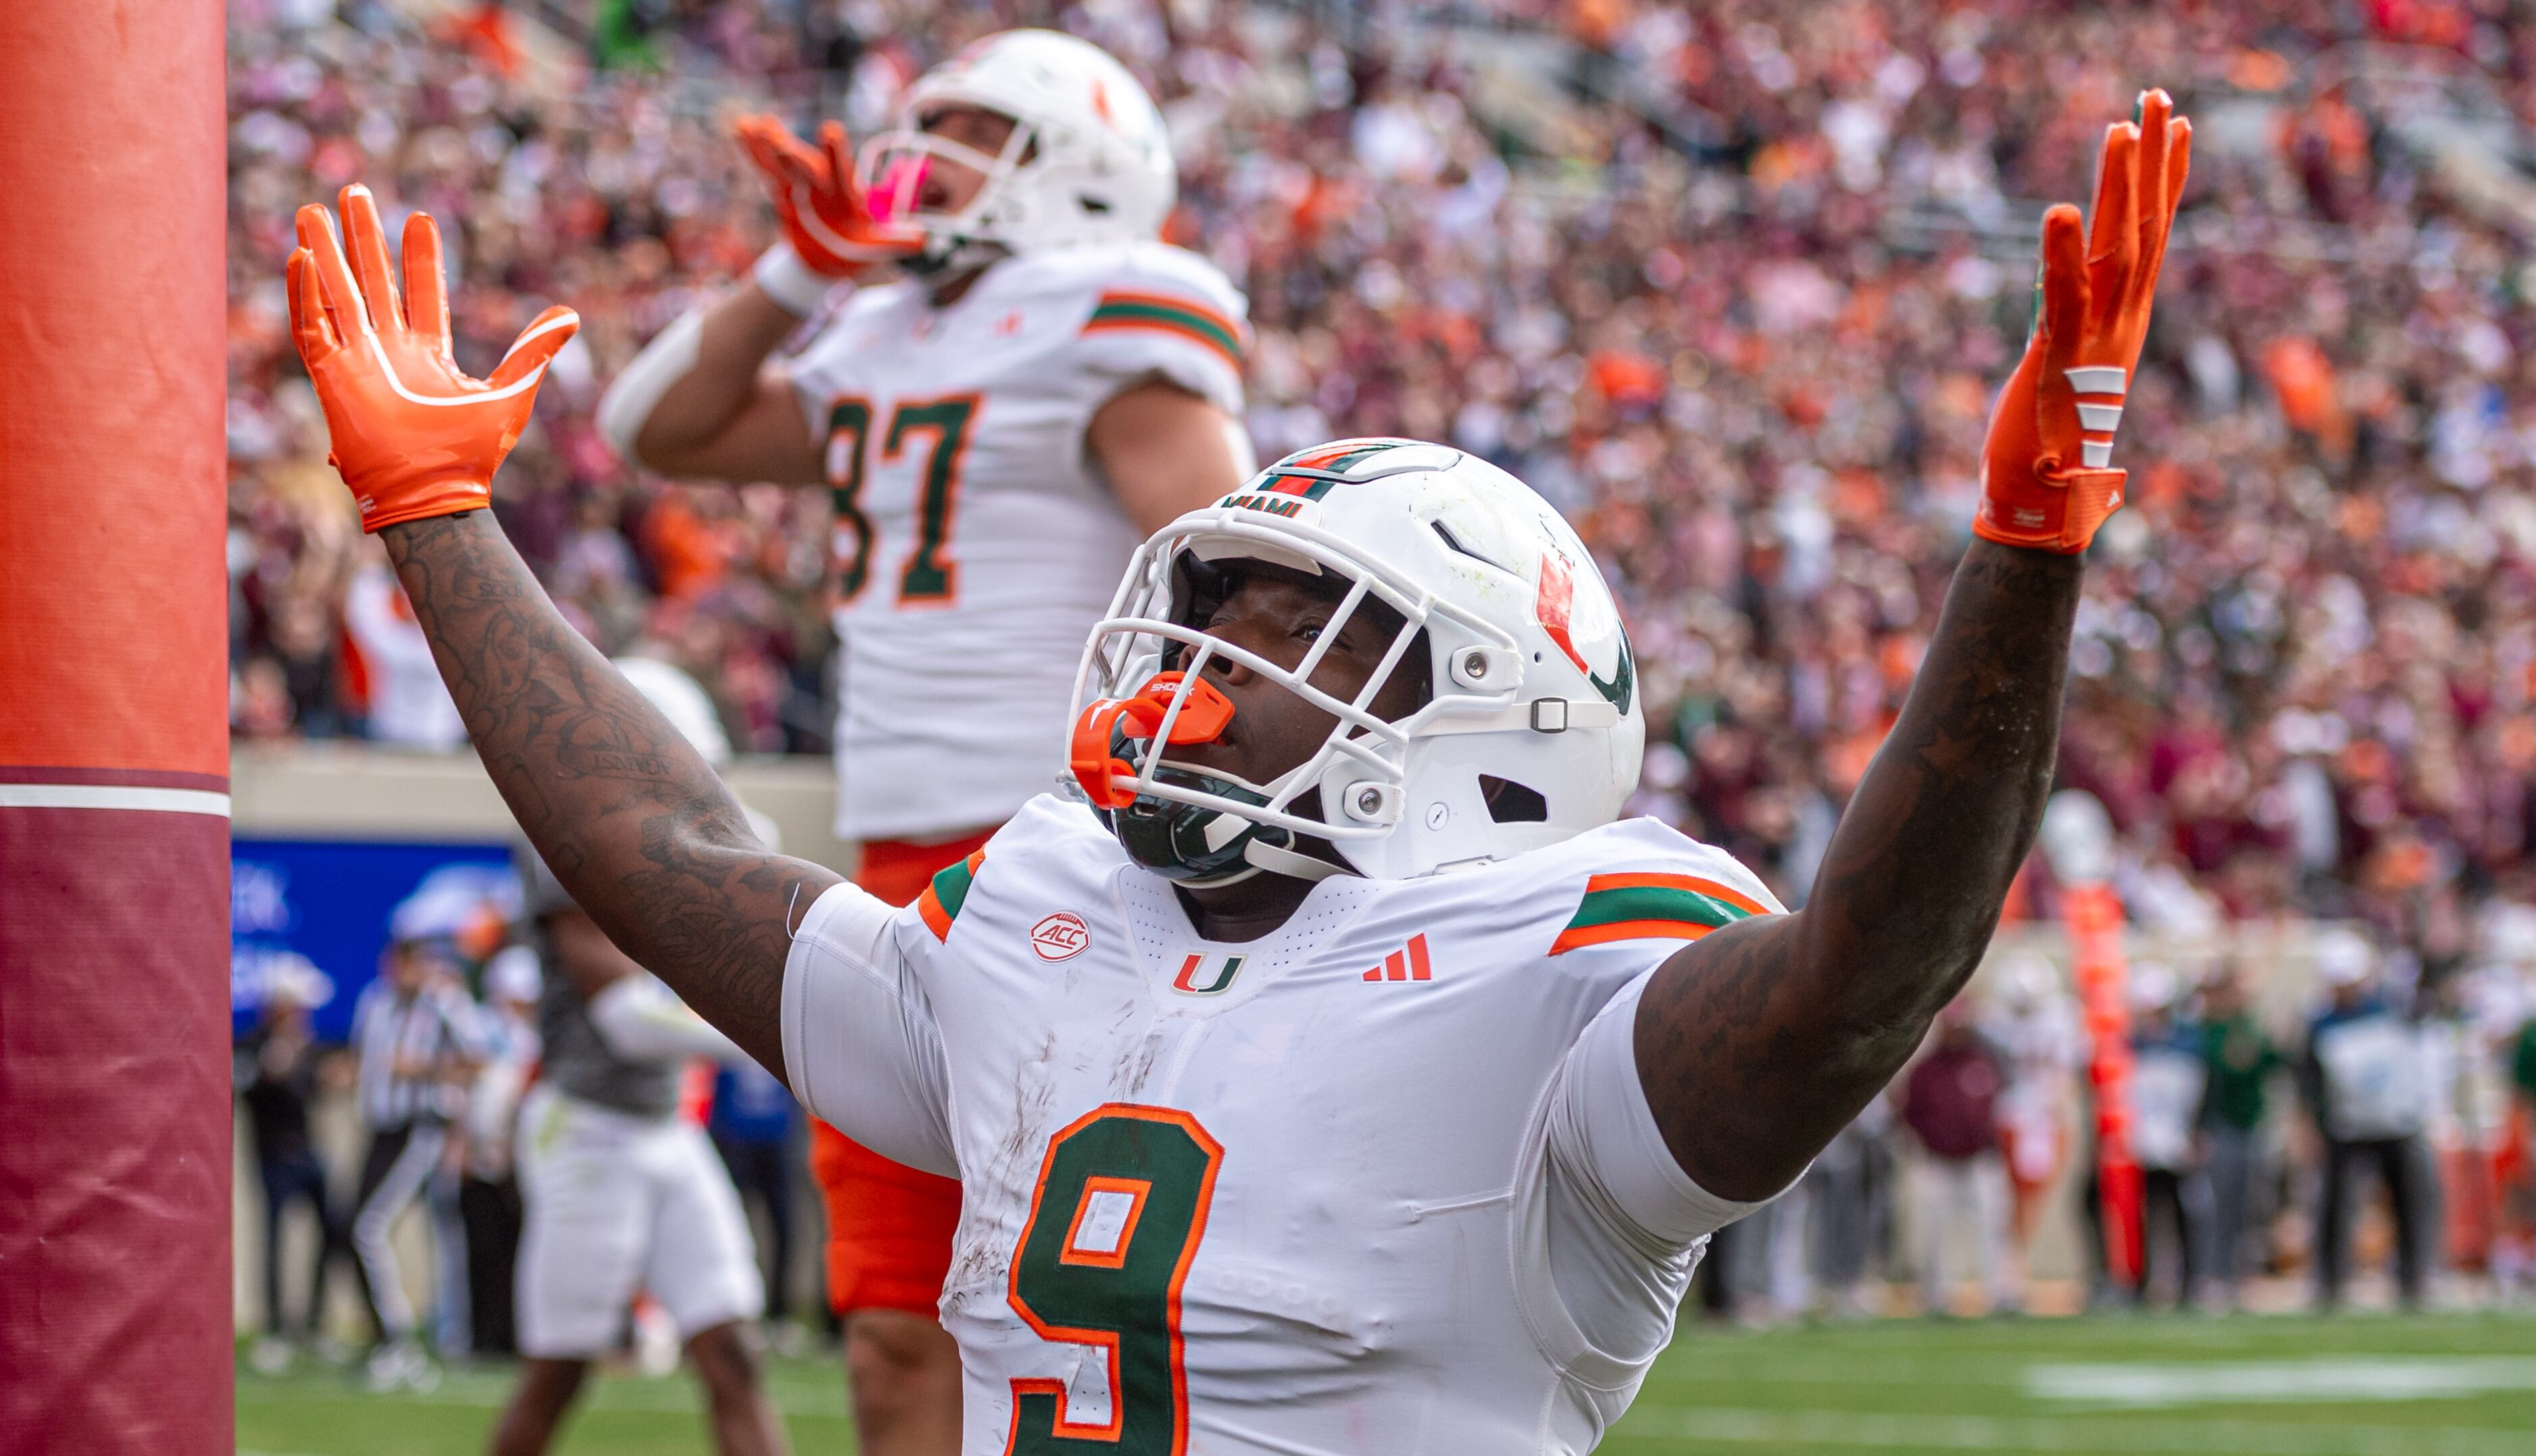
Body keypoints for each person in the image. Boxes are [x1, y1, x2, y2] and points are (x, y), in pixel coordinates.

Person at [284, 94, 2189, 1449]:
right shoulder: (1042, 911)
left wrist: (2025, 549)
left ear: (1490, 708)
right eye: (1212, 602)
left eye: (1293, 624)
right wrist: (440, 515)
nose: (1204, 655)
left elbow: (1865, 973)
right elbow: (667, 842)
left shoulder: (1557, 969)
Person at [593, 31, 1254, 1453]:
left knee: (1081, 1310)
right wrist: (799, 272)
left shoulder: (1110, 310)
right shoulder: (878, 329)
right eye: (924, 119)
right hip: (897, 866)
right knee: (893, 1321)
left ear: (1081, 169)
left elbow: (1231, 583)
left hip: (1074, 861)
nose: (920, 149)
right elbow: (654, 425)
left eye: (970, 127)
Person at [486, 658, 792, 1456]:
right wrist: (774, 1032)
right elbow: (627, 1018)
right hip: (588, 1128)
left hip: (664, 1127)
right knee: (560, 1371)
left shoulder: (665, 845)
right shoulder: (567, 840)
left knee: (733, 1351)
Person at [345, 899, 492, 1389]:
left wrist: (425, 1069)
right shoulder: (375, 1001)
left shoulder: (443, 1003)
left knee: (370, 1229)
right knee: (354, 1229)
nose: (403, 971)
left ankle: (401, 1341)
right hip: (379, 1128)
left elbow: (478, 1061)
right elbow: (361, 1058)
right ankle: (390, 1339)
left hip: (419, 1128)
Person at [2300, 927, 2436, 1308]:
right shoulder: (2321, 1024)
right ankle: (2330, 1281)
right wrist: (2311, 1125)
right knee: (2336, 1204)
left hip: (2397, 1121)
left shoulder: (2392, 1010)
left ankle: (2415, 1277)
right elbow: (2309, 1082)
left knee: (2411, 1200)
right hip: (2348, 1125)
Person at [236, 953, 352, 1374]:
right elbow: (248, 1089)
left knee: (335, 1229)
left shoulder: (309, 1046)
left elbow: (317, 1089)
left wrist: (327, 1079)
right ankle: (275, 1331)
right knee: (273, 1241)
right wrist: (274, 1070)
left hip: (308, 1155)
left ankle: (314, 1325)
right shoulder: (252, 1044)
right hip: (271, 1158)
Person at [1977, 951, 2086, 1306]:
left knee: (2023, 1202)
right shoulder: (2002, 1021)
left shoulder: (2059, 1019)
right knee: (2010, 1202)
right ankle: (2009, 1272)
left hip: (2034, 1117)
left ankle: (2010, 1271)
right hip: (2021, 1117)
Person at [1897, 1002, 2013, 1314]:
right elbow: (1910, 1114)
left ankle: (1998, 1292)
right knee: (1933, 1228)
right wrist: (1929, 1142)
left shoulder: (1985, 1063)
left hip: (1979, 1159)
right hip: (1937, 1161)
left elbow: (2001, 1107)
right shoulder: (1926, 1069)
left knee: (1993, 1225)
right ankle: (1937, 1296)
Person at [461, 944, 543, 1358]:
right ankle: (482, 1337)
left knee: (521, 1252)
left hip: (524, 1158)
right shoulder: (480, 1029)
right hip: (483, 1157)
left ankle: (516, 1336)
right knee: (482, 1251)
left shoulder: (536, 1037)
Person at [2195, 963, 2285, 1308]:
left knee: (2249, 1204)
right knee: (2216, 1204)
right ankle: (2213, 1272)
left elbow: (2272, 1064)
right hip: (2221, 1128)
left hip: (2251, 1125)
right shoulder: (2211, 1029)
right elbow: (2229, 1065)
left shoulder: (2251, 1026)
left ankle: (2237, 1273)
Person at [710, 1055, 808, 1352]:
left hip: (777, 1140)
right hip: (733, 1139)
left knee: (786, 1228)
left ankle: (778, 1317)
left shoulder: (783, 1032)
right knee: (727, 1230)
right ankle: (730, 1315)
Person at [2124, 963, 2208, 1306]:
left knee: (2185, 1215)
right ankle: (2138, 1285)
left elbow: (2202, 1094)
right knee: (2140, 1218)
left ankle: (2190, 1285)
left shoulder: (2188, 1045)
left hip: (2177, 1142)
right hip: (2140, 1143)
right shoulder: (2129, 1046)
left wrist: (2198, 1133)